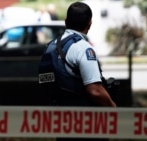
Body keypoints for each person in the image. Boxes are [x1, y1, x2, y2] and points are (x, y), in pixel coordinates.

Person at [39, 2, 116, 141]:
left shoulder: (52, 46)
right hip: (86, 123)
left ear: (66, 21)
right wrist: (112, 107)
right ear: (89, 23)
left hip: (63, 120)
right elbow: (95, 90)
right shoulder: (83, 48)